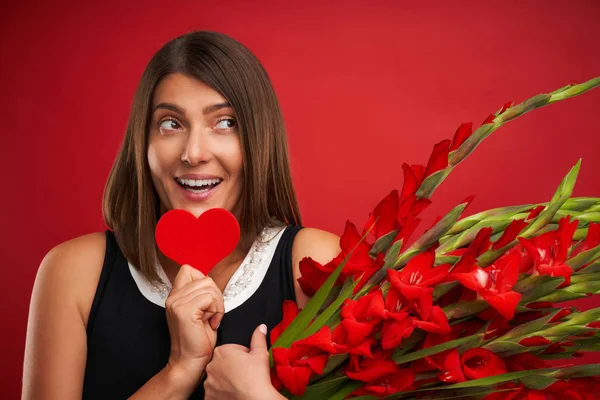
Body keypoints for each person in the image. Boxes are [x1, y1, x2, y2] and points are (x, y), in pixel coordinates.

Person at [22, 31, 340, 399]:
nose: (193, 152)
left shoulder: (314, 264)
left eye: (224, 122)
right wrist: (180, 369)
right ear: (143, 142)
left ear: (259, 137)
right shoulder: (73, 273)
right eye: (171, 123)